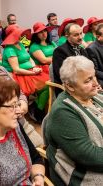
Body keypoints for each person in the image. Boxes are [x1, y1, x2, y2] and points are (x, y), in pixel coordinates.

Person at [45, 56, 103, 186]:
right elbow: (88, 155)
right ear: (70, 86)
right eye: (88, 80)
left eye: (94, 77)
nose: (95, 83)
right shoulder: (63, 112)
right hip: (85, 174)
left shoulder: (94, 96)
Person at [2, 25, 49, 122]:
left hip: (30, 72)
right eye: (17, 33)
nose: (20, 35)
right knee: (45, 85)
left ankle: (36, 108)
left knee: (48, 84)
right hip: (18, 76)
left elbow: (29, 58)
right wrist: (32, 73)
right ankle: (36, 110)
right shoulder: (9, 49)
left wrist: (34, 67)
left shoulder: (20, 43)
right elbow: (16, 69)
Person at [53, 23, 88, 96]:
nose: (80, 37)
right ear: (67, 36)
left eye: (81, 33)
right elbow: (63, 76)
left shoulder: (82, 50)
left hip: (84, 83)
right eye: (76, 35)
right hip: (69, 87)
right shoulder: (60, 51)